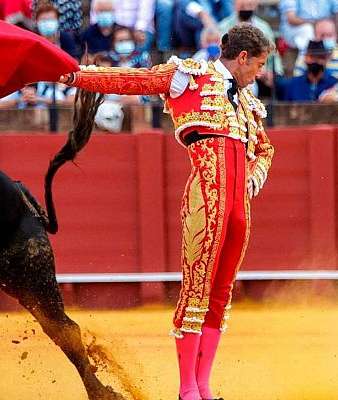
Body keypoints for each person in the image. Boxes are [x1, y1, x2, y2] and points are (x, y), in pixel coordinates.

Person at [60, 23, 275, 400]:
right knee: (196, 290)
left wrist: (252, 181)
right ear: (242, 58)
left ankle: (205, 387)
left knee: (220, 294)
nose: (261, 73)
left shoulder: (248, 104)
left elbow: (265, 149)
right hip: (205, 198)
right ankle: (186, 389)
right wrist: (75, 75)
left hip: (238, 206)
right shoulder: (189, 77)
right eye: (258, 64)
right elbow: (132, 82)